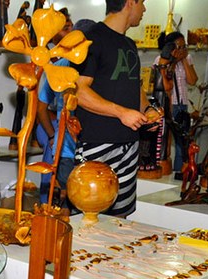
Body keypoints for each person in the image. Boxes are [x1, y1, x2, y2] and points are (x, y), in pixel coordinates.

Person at [73, 0, 153, 218]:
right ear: (130, 3)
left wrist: (148, 109)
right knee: (88, 216)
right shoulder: (90, 39)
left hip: (129, 143)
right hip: (96, 144)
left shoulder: (129, 44)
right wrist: (121, 112)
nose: (144, 9)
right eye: (142, 2)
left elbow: (135, 87)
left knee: (120, 218)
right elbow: (78, 91)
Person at [36, 17, 95, 210]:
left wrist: (52, 137)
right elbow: (41, 108)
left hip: (69, 149)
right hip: (82, 148)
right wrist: (52, 136)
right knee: (81, 204)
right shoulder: (66, 67)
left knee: (72, 204)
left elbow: (41, 107)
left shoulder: (59, 66)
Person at [35, 8, 73, 204]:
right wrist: (53, 134)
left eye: (71, 27)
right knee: (51, 166)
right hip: (51, 125)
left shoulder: (73, 61)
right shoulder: (48, 59)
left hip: (66, 126)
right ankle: (46, 205)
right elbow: (40, 106)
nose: (70, 32)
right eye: (65, 28)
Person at [154, 31, 198, 175]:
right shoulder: (161, 59)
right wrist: (172, 61)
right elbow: (162, 82)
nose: (182, 50)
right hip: (168, 105)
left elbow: (192, 80)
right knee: (165, 141)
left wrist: (184, 60)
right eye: (179, 47)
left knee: (182, 142)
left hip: (182, 104)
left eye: (184, 46)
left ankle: (180, 172)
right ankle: (165, 172)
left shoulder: (188, 59)